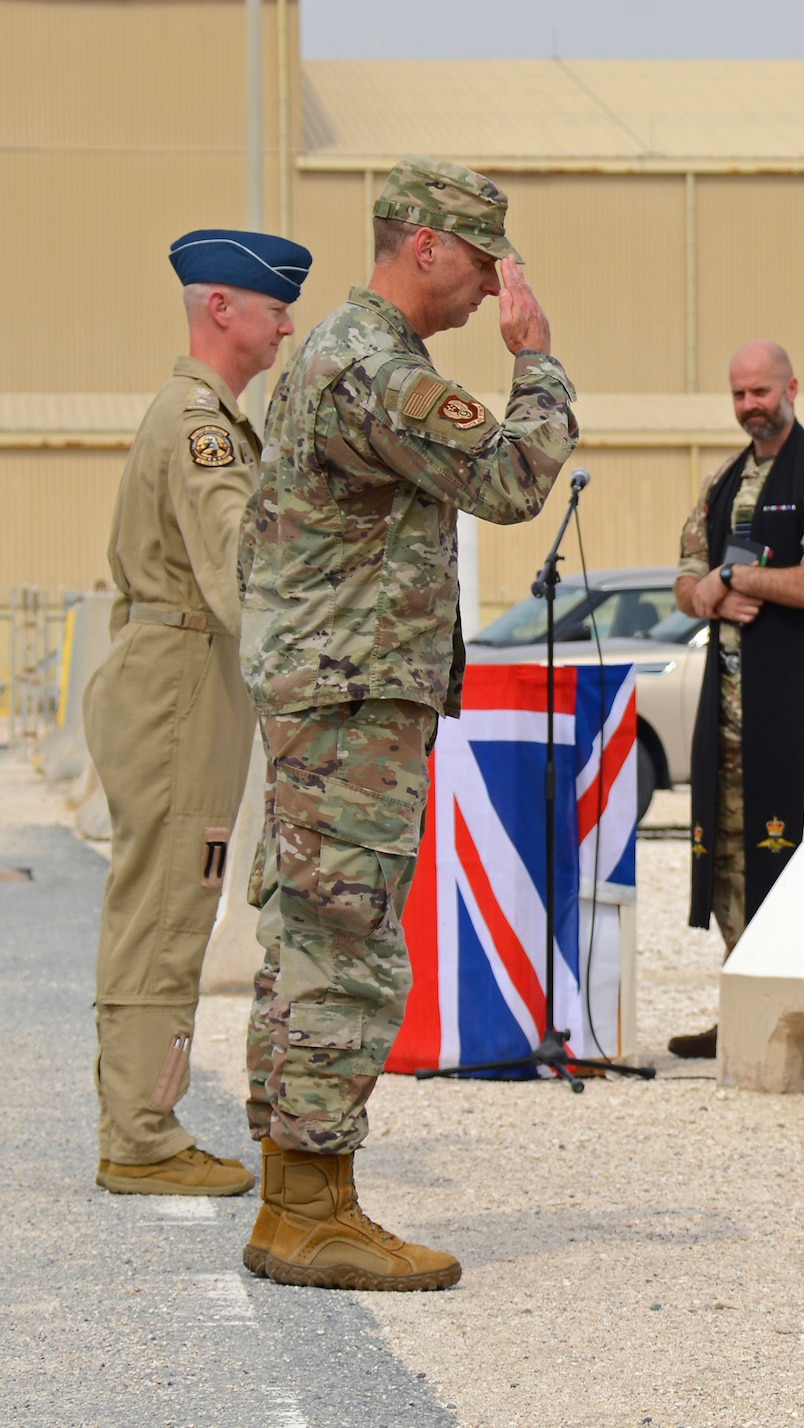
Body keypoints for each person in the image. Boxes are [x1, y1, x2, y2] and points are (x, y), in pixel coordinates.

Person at [237, 157, 576, 1291]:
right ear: (422, 244)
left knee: (307, 939)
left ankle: (299, 1191)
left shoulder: (354, 355)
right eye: (485, 258)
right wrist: (536, 359)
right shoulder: (374, 370)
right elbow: (516, 477)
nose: (495, 284)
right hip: (349, 702)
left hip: (330, 694)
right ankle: (308, 1211)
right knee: (347, 949)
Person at [87, 228, 312, 1196]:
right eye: (273, 309)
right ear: (220, 309)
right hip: (180, 677)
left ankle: (143, 1119)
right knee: (169, 901)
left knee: (170, 893)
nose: (287, 327)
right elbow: (239, 574)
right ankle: (140, 1137)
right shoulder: (199, 425)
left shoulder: (200, 416)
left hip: (180, 669)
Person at [666, 341, 804, 1060]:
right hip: (725, 711)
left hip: (796, 712)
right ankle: (739, 1006)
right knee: (727, 858)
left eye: (760, 392)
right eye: (738, 395)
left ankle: (789, 1015)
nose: (749, 407)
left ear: (792, 387)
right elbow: (685, 579)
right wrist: (705, 593)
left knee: (787, 859)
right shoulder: (721, 481)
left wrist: (737, 584)